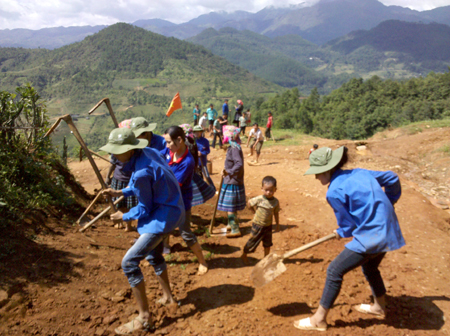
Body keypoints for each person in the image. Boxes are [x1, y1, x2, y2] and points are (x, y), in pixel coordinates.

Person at [294, 146, 405, 332]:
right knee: (370, 267)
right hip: (389, 228)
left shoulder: (333, 192)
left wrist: (342, 231)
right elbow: (392, 178)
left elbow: (348, 226)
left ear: (328, 169)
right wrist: (390, 201)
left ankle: (318, 320)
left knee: (334, 271)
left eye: (318, 173)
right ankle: (379, 306)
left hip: (372, 235)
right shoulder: (360, 173)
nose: (316, 177)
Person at [100, 128, 184, 334]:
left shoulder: (139, 173)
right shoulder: (148, 153)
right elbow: (142, 183)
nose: (114, 156)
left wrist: (124, 216)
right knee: (154, 255)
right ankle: (168, 297)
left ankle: (144, 318)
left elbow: (144, 207)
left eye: (117, 151)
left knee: (128, 263)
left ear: (129, 150)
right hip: (172, 207)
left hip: (162, 216)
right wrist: (120, 191)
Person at [161, 126, 209, 275]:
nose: (167, 145)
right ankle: (164, 248)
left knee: (186, 233)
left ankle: (203, 262)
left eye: (169, 142)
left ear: (180, 140)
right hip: (167, 199)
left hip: (180, 202)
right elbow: (159, 156)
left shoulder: (187, 162)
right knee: (163, 228)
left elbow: (173, 185)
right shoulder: (170, 151)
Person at [241, 176, 280, 264]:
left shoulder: (276, 202)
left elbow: (276, 213)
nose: (268, 192)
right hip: (257, 225)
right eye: (266, 190)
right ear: (262, 189)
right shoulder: (259, 199)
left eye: (271, 190)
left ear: (275, 189)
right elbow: (249, 203)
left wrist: (277, 225)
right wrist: (254, 213)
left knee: (268, 243)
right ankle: (244, 255)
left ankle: (266, 259)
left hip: (268, 226)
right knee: (252, 241)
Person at [217, 126, 246, 238]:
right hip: (231, 179)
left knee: (230, 207)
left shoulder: (234, 148)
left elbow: (239, 164)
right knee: (231, 205)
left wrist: (229, 172)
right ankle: (230, 224)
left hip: (233, 180)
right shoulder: (233, 147)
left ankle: (235, 229)